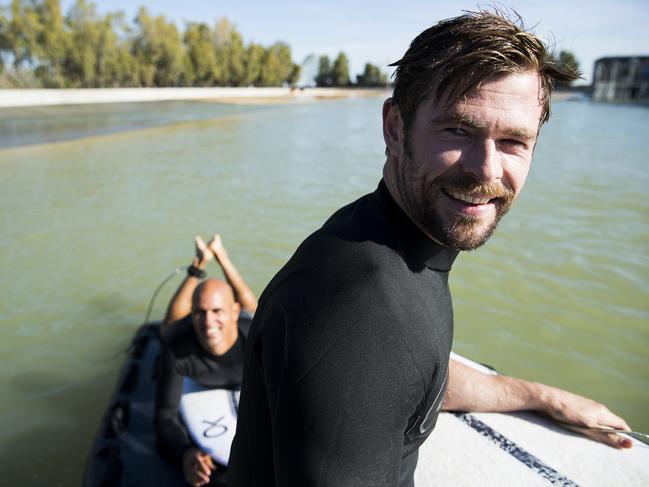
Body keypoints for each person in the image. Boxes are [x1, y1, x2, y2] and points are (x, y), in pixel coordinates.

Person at [227, 10, 632, 487]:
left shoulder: (381, 243)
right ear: (395, 128)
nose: (486, 170)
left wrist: (538, 396)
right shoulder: (363, 305)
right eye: (458, 131)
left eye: (513, 141)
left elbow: (408, 374)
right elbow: (380, 354)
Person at [154, 234, 257, 487]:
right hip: (186, 351)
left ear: (233, 312)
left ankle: (222, 256)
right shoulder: (179, 349)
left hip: (246, 321)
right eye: (199, 313)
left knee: (255, 311)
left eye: (217, 311)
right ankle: (198, 263)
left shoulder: (256, 338)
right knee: (167, 329)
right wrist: (186, 451)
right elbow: (164, 416)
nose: (208, 322)